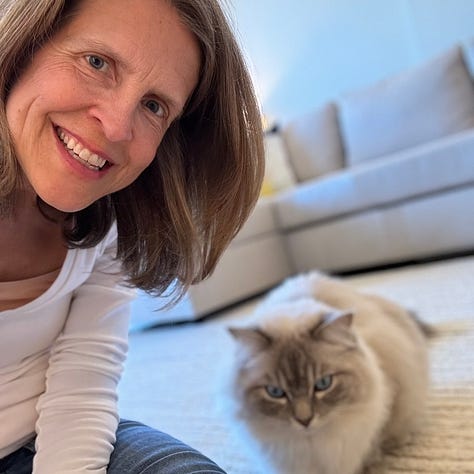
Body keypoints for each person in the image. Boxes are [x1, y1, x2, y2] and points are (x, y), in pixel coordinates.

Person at [0, 0, 264, 472]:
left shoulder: (111, 225)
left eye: (154, 105)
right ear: (23, 45)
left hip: (40, 436)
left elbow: (81, 388)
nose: (118, 126)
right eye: (97, 63)